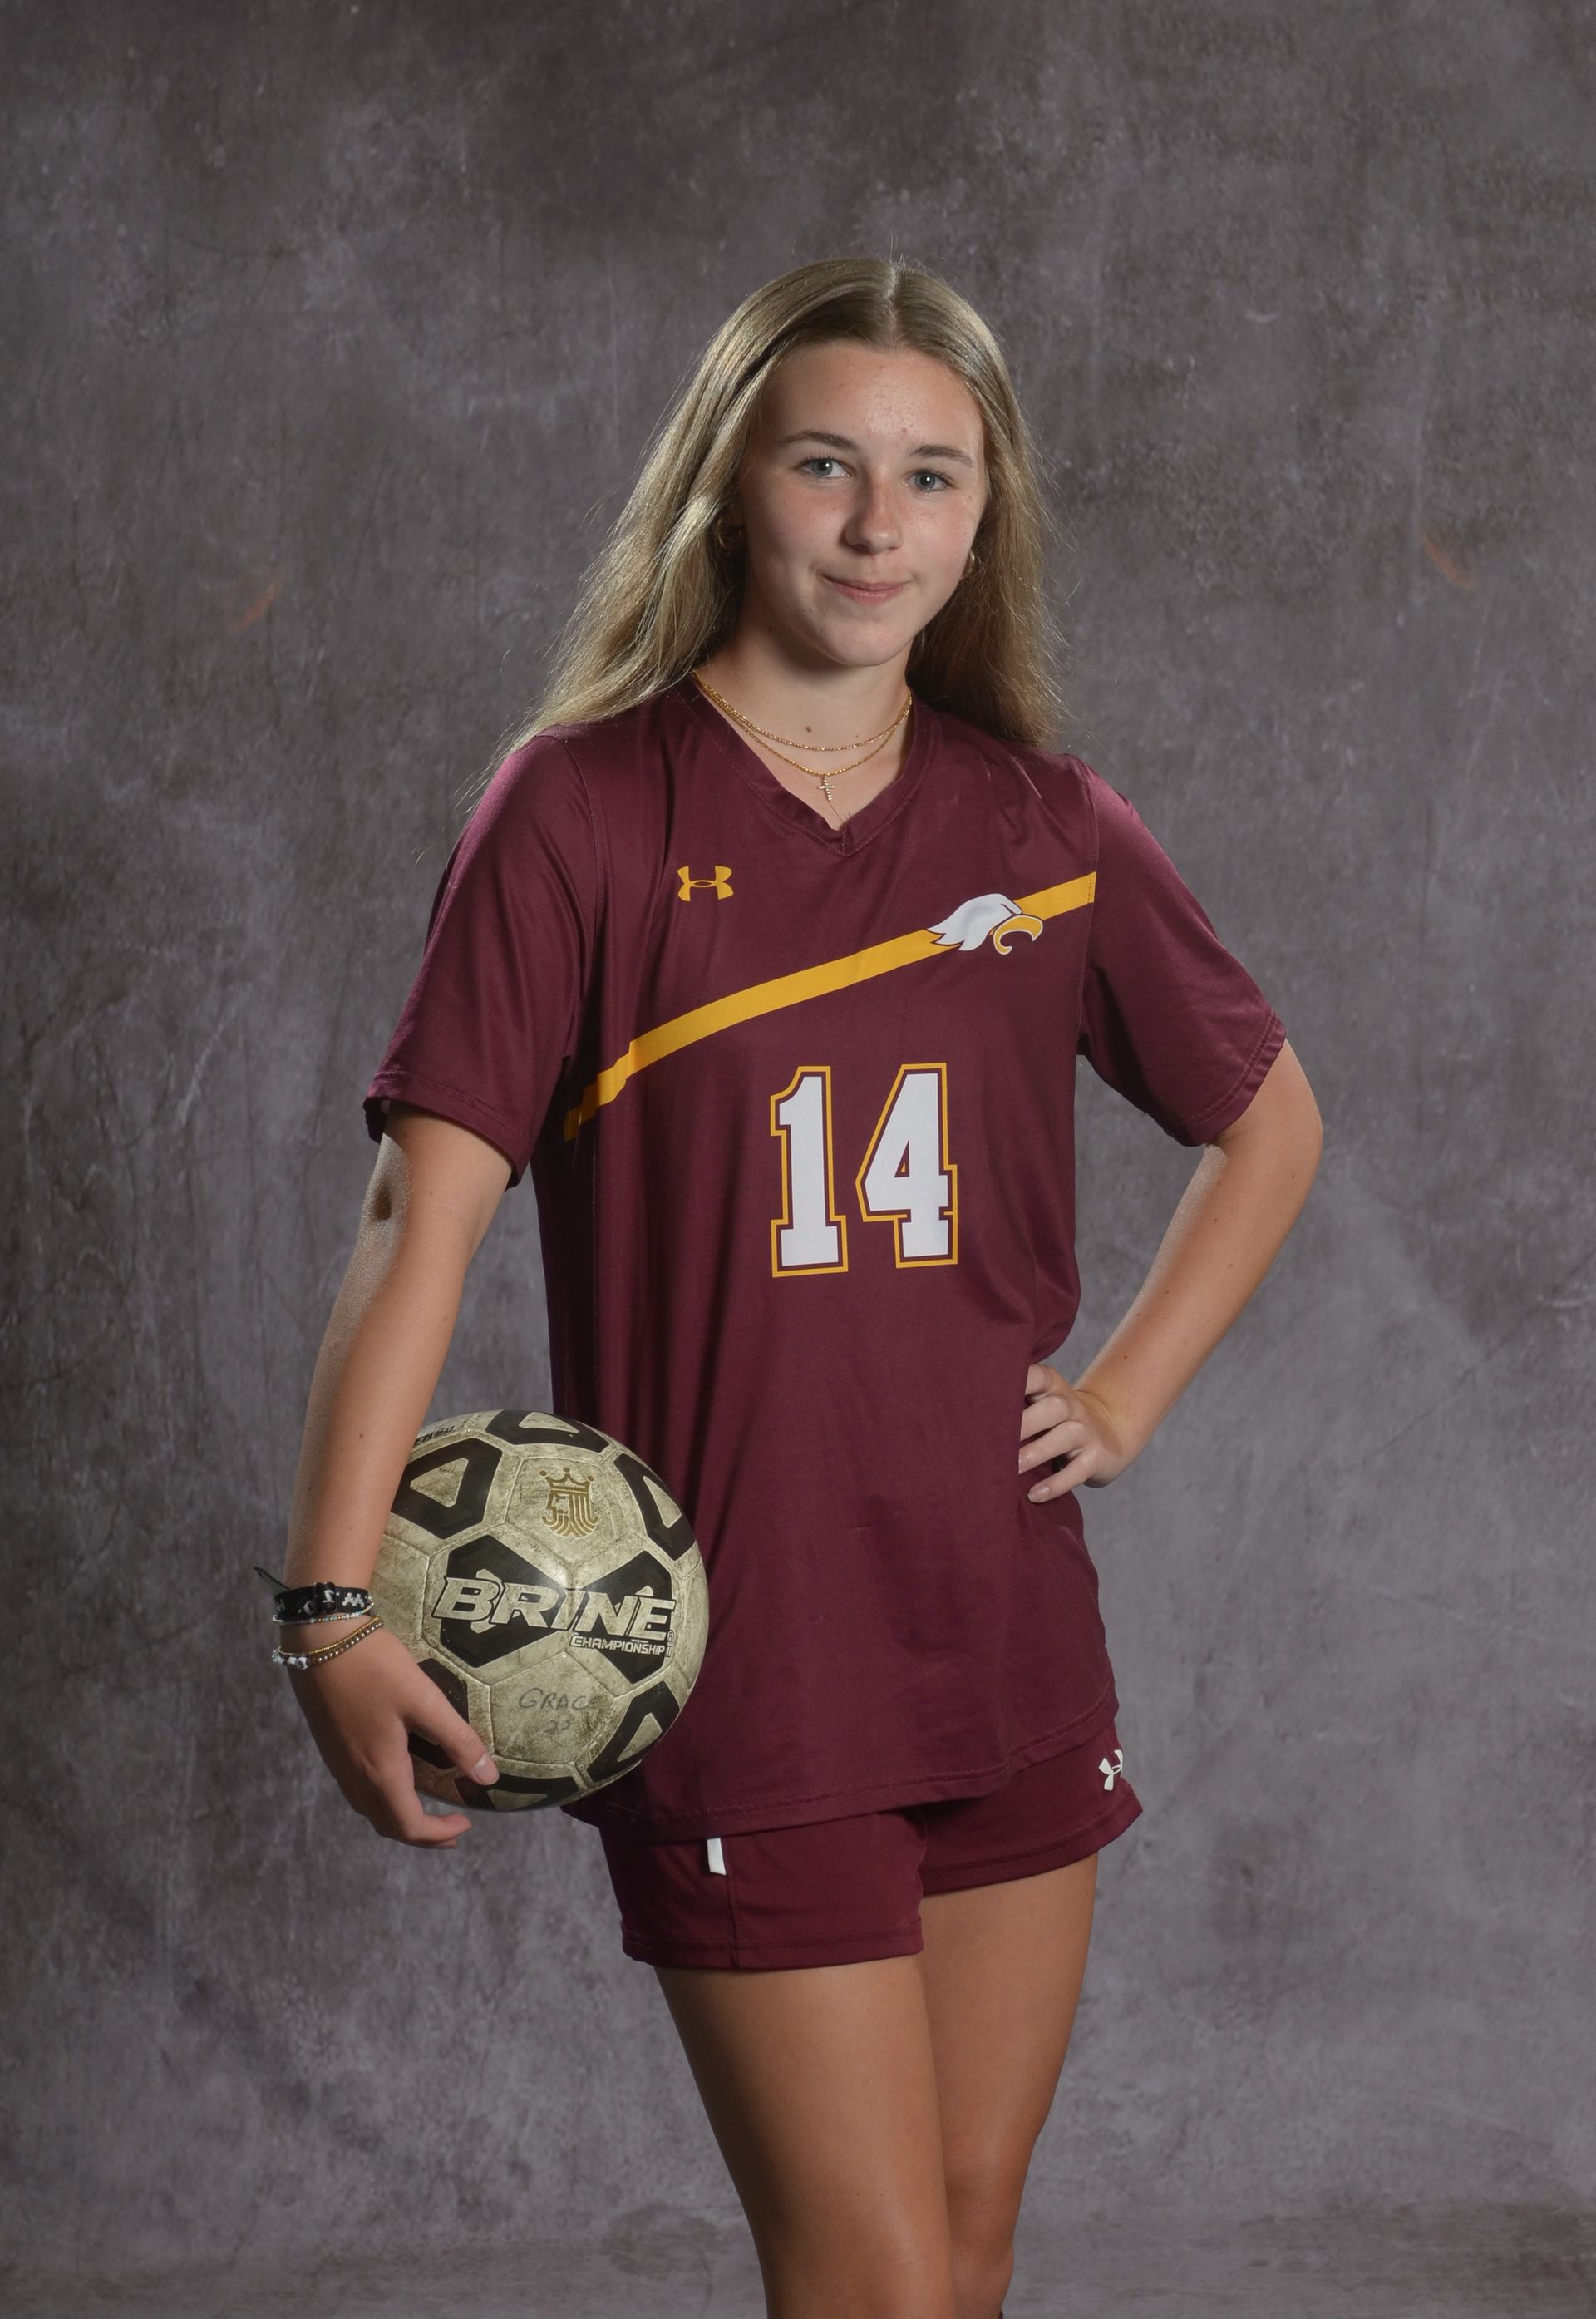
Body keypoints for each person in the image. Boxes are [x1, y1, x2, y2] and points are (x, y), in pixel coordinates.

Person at [273, 254, 1323, 2319]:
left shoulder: (1045, 826)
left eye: (934, 478)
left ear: (984, 516)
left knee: (968, 2249)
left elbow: (1270, 1122)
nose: (876, 524)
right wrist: (328, 1602)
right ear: (725, 487)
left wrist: (1120, 1397)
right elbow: (420, 1219)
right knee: (868, 2277)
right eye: (826, 464)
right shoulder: (577, 807)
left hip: (1007, 1633)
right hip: (750, 1660)